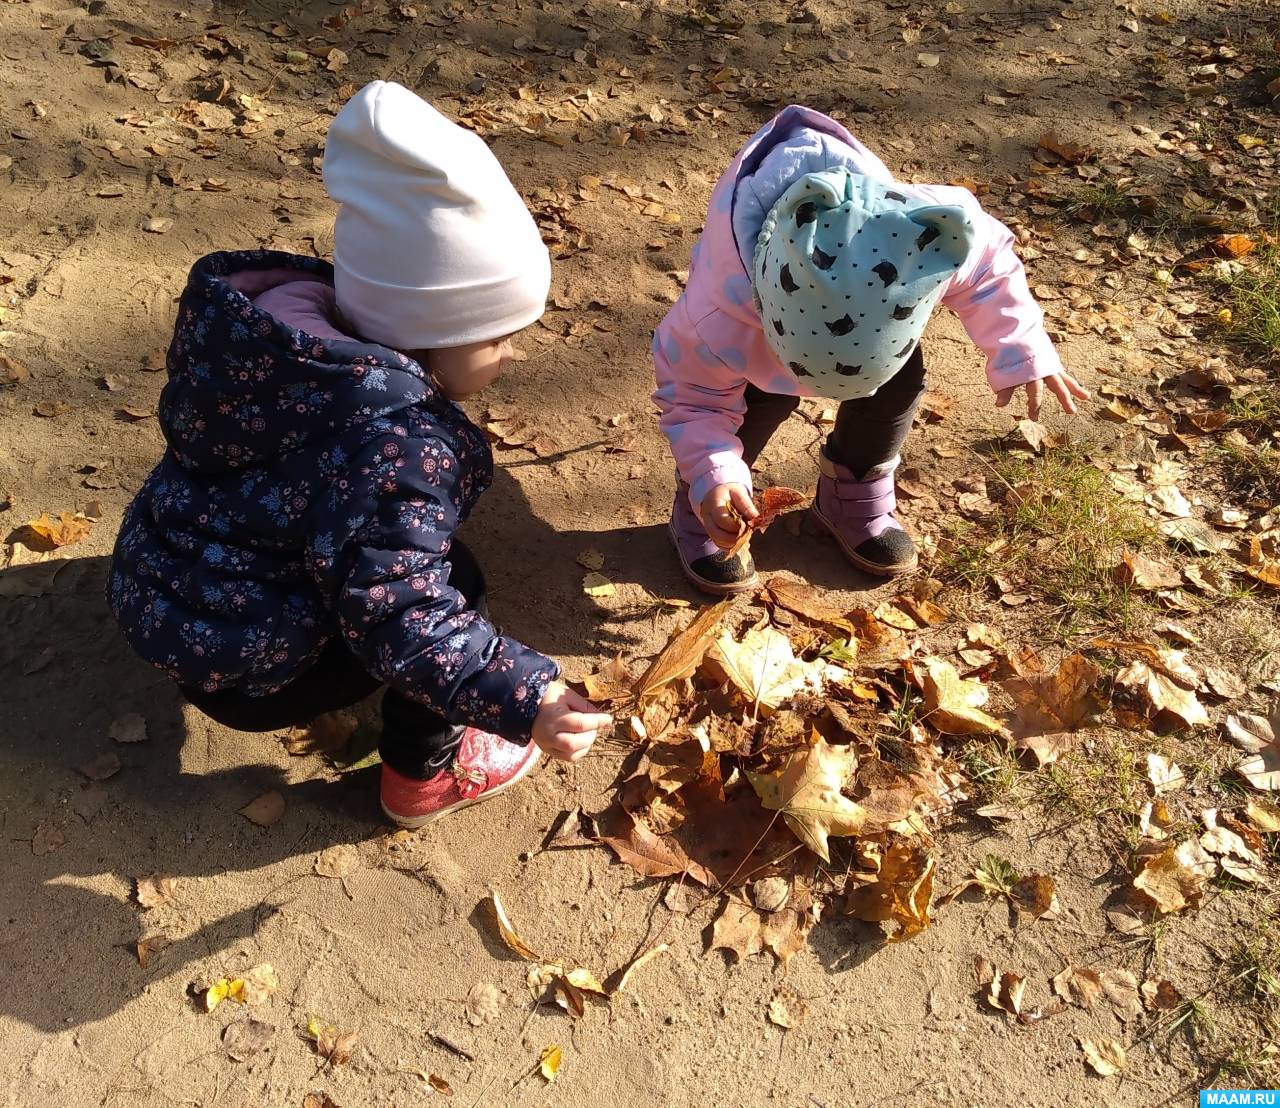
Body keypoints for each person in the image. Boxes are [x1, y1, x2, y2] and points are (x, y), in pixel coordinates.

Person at [107, 81, 610, 828]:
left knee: (374, 549)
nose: (509, 355)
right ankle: (422, 779)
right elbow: (403, 611)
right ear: (430, 326)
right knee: (454, 582)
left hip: (163, 588)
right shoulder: (396, 449)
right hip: (248, 670)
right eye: (497, 336)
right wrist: (522, 696)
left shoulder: (275, 338)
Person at [653, 105, 1089, 594]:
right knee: (759, 397)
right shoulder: (715, 317)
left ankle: (851, 489)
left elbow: (990, 267)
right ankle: (714, 503)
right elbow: (695, 402)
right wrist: (713, 475)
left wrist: (1021, 345)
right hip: (751, 337)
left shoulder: (922, 235)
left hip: (859, 331)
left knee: (897, 383)